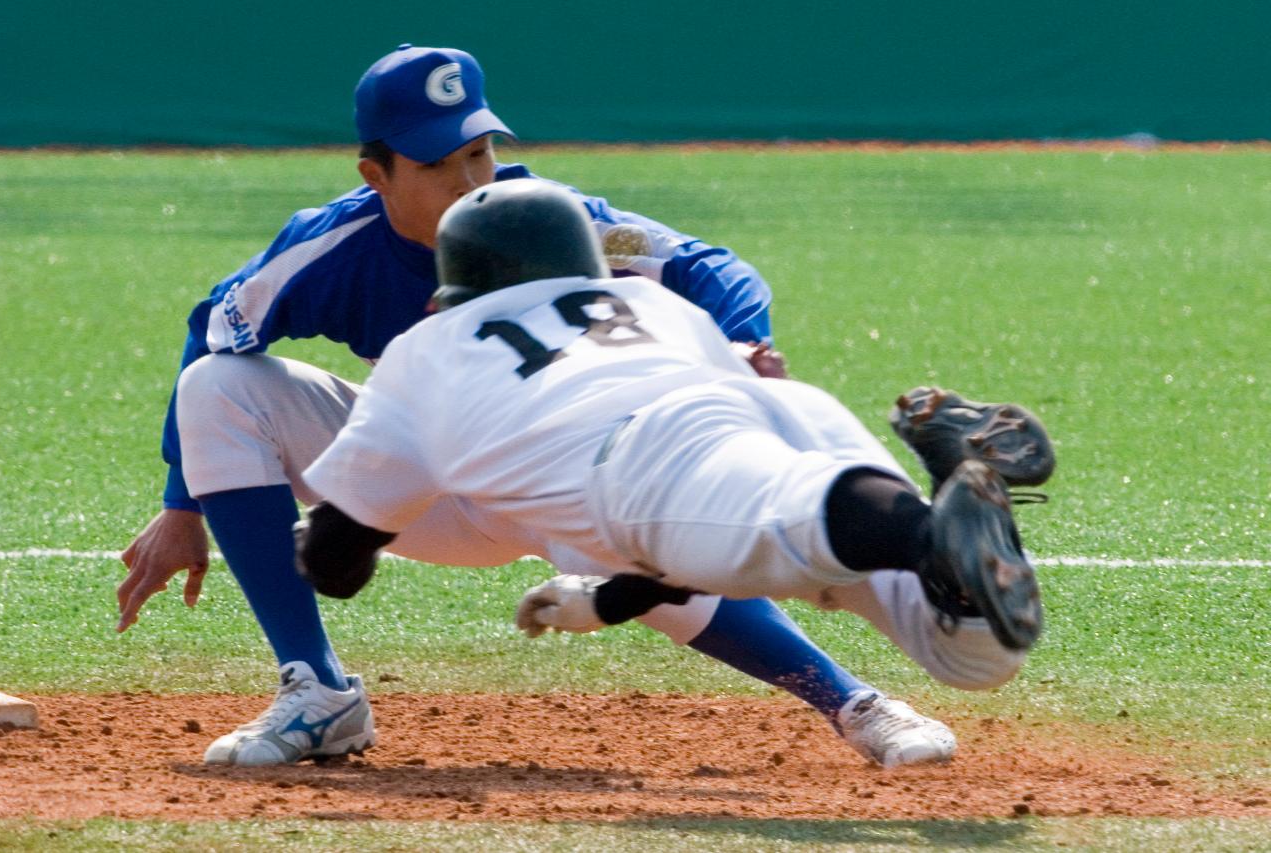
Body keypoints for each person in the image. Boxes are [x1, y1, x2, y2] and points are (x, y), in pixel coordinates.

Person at [116, 45, 966, 769]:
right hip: (425, 485)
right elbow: (216, 327)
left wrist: (745, 351)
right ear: (375, 174)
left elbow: (716, 271)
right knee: (219, 388)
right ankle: (318, 691)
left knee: (656, 528)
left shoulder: (551, 223)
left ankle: (853, 703)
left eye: (479, 151)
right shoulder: (332, 245)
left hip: (566, 474)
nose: (469, 177)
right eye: (437, 162)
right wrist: (181, 505)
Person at [293, 181, 1056, 765]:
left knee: (794, 518)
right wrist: (613, 601)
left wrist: (322, 542)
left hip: (647, 452)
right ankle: (945, 511)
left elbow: (336, 561)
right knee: (974, 653)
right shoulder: (647, 301)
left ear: (448, 288)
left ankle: (932, 528)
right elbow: (697, 535)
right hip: (777, 417)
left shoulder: (427, 347)